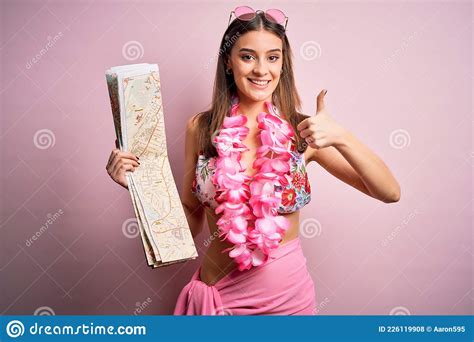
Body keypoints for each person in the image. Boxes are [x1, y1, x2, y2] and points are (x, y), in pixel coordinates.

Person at [105, 6, 401, 315]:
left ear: (283, 64)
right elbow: (190, 217)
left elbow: (389, 192)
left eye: (273, 57)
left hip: (287, 305)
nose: (262, 70)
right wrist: (140, 189)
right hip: (219, 298)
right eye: (248, 56)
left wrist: (341, 136)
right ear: (228, 63)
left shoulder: (302, 131)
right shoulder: (201, 128)